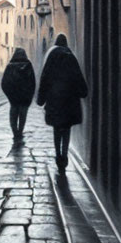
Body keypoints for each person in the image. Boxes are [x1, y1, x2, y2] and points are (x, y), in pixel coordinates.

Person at [37, 33, 88, 174]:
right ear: (65, 44)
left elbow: (44, 78)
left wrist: (41, 99)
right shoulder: (71, 57)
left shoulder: (51, 58)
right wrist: (83, 91)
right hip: (70, 101)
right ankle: (64, 154)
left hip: (54, 100)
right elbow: (78, 77)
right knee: (66, 128)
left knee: (57, 128)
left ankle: (58, 153)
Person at [1, 48, 36, 141]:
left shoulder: (10, 66)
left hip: (14, 99)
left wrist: (10, 95)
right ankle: (20, 132)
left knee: (13, 116)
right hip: (25, 99)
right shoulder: (28, 66)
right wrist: (29, 96)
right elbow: (33, 83)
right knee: (22, 116)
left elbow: (4, 83)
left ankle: (15, 132)